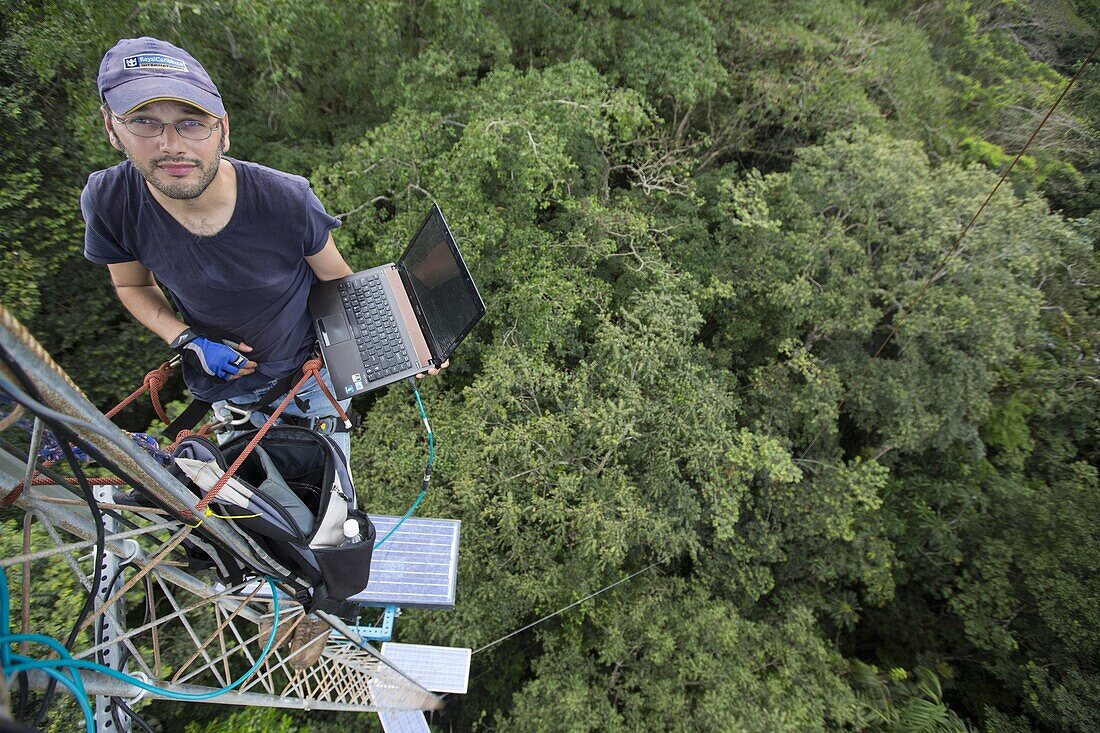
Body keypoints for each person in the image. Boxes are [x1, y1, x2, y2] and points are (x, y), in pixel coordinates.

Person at [81, 37, 441, 464]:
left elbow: (337, 281)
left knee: (325, 514)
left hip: (311, 382)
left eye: (192, 121)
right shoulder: (110, 200)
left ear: (224, 130)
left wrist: (405, 338)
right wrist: (186, 339)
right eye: (143, 121)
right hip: (223, 392)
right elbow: (130, 284)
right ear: (111, 127)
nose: (171, 144)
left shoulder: (285, 199)